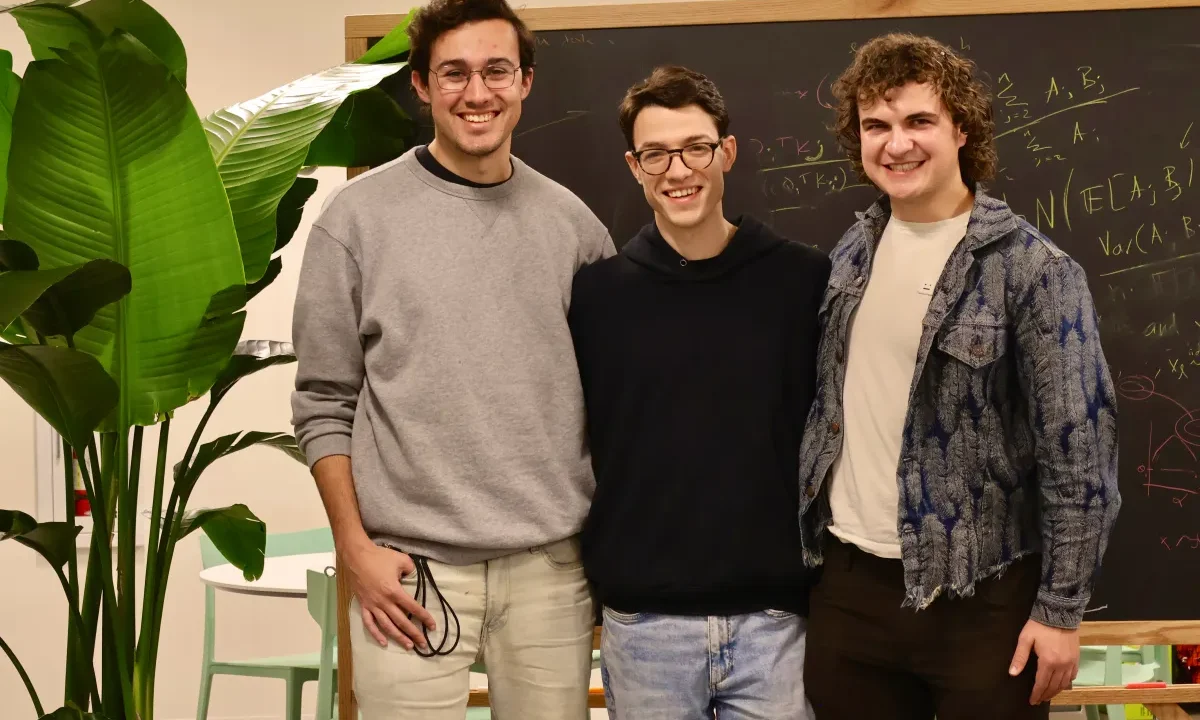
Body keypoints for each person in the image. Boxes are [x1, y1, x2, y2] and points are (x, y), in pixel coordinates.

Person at [288, 0, 615, 717]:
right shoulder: (356, 221)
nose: (477, 93)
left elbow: (616, 400)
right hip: (407, 573)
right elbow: (322, 403)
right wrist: (354, 549)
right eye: (454, 73)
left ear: (525, 81)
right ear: (421, 85)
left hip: (550, 573)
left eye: (497, 71)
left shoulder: (575, 228)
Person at [797, 32, 1121, 720]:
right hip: (849, 596)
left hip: (982, 606)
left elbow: (1080, 454)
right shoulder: (853, 251)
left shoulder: (1033, 271)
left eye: (919, 121)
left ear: (962, 129)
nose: (896, 144)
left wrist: (1061, 612)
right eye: (875, 126)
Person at [568, 65, 831, 719]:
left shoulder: (801, 281)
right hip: (645, 625)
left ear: (727, 152)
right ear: (634, 165)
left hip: (777, 624)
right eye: (656, 153)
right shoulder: (598, 297)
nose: (677, 169)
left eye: (695, 148)